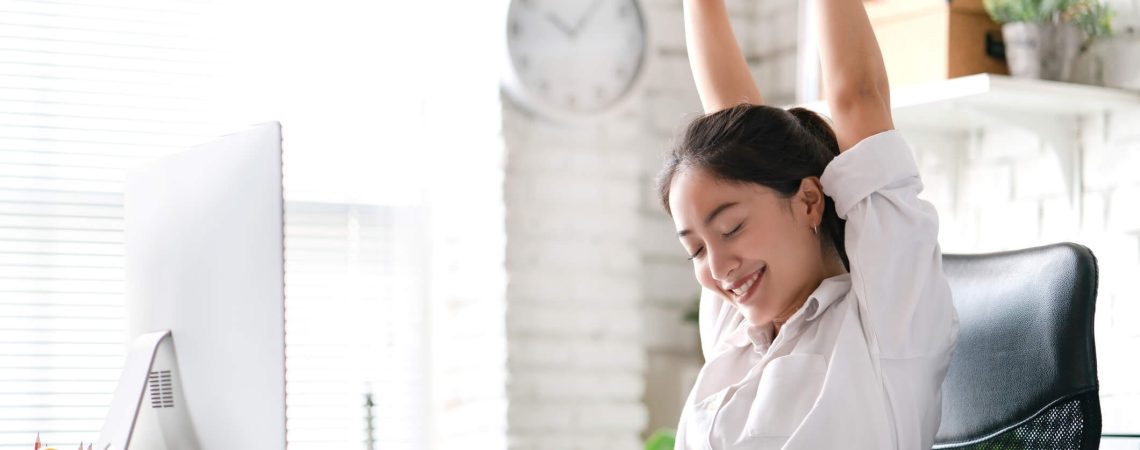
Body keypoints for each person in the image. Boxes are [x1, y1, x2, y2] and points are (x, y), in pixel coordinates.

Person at [655, 0, 960, 448]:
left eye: (731, 229)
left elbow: (858, 95)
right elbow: (733, 135)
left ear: (809, 201)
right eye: (696, 250)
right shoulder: (735, 333)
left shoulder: (885, 323)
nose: (717, 269)